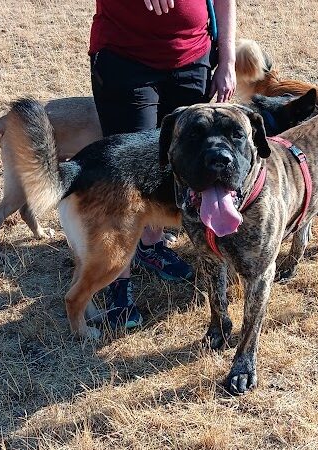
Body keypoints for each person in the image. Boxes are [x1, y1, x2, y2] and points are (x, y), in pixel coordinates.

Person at [89, 0, 236, 329]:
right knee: (127, 178)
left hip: (191, 56)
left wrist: (227, 58)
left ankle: (151, 243)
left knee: (180, 168)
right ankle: (118, 285)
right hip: (126, 57)